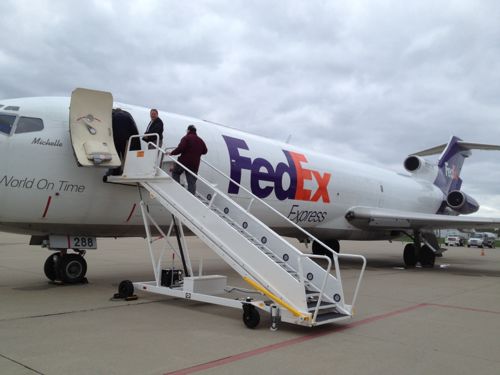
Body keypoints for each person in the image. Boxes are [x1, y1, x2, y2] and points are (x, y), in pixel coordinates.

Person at [170, 124, 207, 195]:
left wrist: (172, 153)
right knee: (191, 182)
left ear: (188, 130)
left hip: (184, 161)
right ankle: (191, 197)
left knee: (175, 172)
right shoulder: (200, 140)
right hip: (194, 164)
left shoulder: (186, 138)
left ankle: (177, 188)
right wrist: (197, 152)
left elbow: (180, 148)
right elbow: (205, 151)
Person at [109, 108, 140, 176]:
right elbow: (133, 129)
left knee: (116, 155)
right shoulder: (127, 116)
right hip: (125, 140)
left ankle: (116, 171)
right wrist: (137, 144)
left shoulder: (113, 116)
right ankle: (127, 171)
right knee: (125, 155)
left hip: (115, 139)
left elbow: (109, 127)